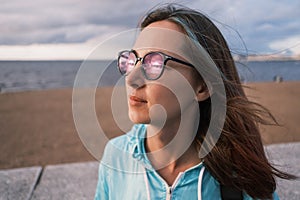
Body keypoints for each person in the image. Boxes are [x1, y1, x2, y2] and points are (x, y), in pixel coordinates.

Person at [95, 4, 295, 200]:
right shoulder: (116, 156)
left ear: (202, 87)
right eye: (132, 61)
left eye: (155, 64)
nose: (131, 79)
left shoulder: (239, 177)